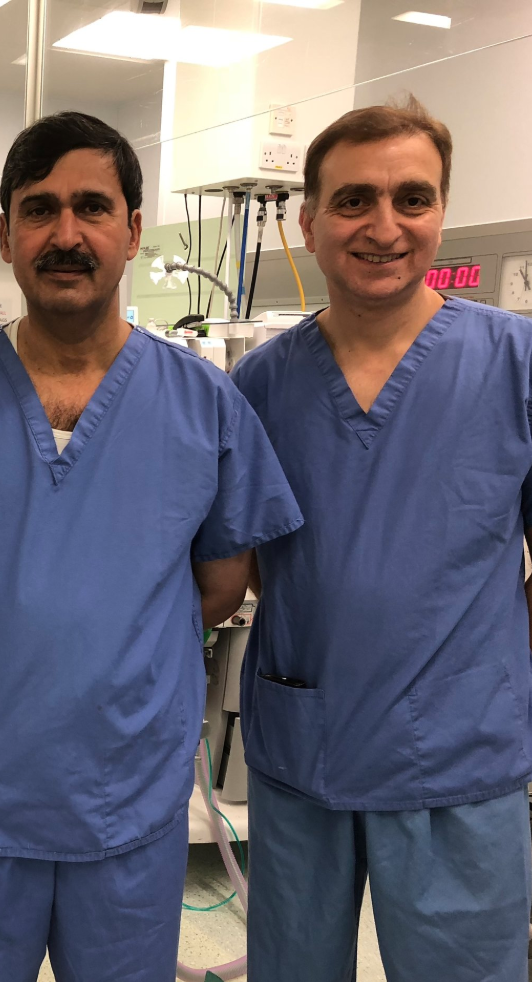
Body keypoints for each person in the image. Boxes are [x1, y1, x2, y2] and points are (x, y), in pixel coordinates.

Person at [0, 110, 303, 982]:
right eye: (39, 209)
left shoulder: (203, 404)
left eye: (92, 208)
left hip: (125, 793)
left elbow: (223, 581)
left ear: (133, 231)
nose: (66, 234)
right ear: (6, 235)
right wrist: (2, 619)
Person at [233, 96, 532, 982]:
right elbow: (244, 566)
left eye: (413, 199)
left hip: (461, 760)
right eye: (355, 200)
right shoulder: (258, 387)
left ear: (442, 212)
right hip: (304, 747)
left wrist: (498, 687)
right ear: (309, 221)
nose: (385, 226)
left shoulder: (514, 364)